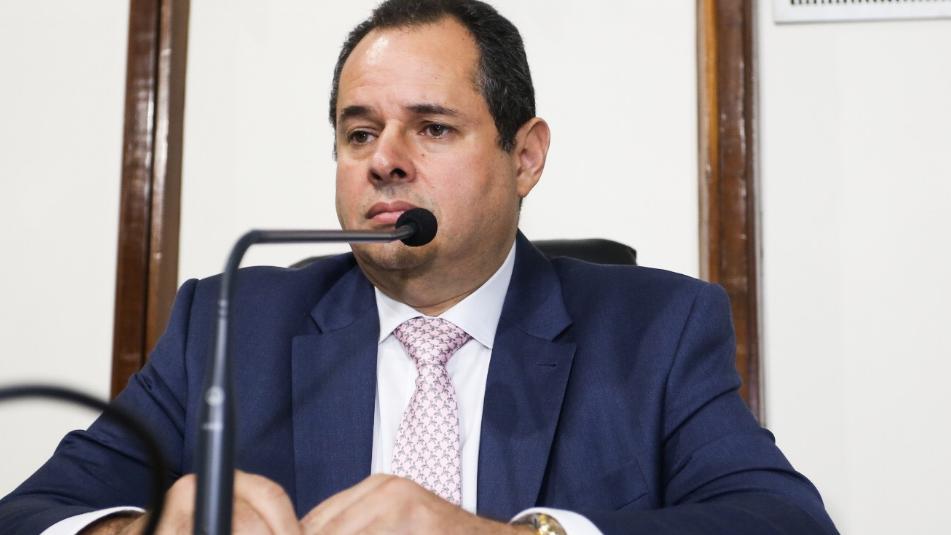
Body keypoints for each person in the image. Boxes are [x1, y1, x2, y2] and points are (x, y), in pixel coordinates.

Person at [0, 1, 838, 534]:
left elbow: (782, 521)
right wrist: (139, 531)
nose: (384, 160)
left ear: (524, 156)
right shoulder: (227, 326)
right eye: (359, 133)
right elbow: (31, 512)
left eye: (431, 128)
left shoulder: (654, 331)